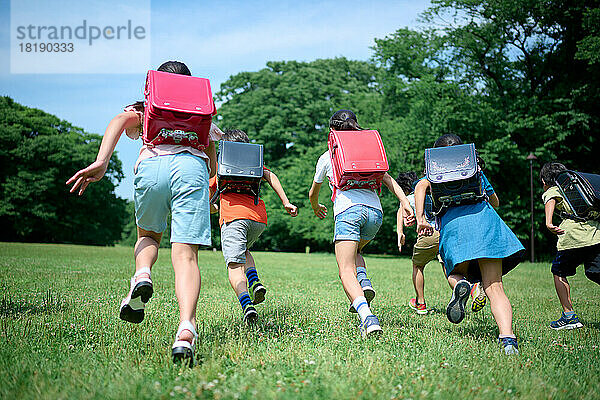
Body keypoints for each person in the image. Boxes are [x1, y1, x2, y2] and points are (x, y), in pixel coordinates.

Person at [67, 61, 220, 367]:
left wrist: (102, 161)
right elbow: (212, 159)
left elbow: (120, 120)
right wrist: (209, 187)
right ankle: (186, 328)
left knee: (148, 235)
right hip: (191, 169)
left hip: (151, 166)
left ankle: (142, 274)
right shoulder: (201, 113)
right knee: (186, 254)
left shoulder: (146, 107)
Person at [415, 134, 524, 355]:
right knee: (495, 287)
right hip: (484, 224)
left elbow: (419, 187)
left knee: (454, 273)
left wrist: (420, 218)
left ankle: (465, 287)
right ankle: (508, 339)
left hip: (455, 228)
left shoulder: (433, 174)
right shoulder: (475, 170)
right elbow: (495, 202)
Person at [308, 109, 414, 338]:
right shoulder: (369, 152)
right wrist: (405, 202)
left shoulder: (327, 157)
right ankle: (364, 280)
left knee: (345, 270)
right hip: (375, 213)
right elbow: (387, 178)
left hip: (348, 212)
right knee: (356, 250)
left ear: (332, 131)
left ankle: (367, 317)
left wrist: (316, 206)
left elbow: (313, 192)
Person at [210, 129, 298, 324]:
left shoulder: (221, 166)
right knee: (245, 250)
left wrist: (213, 208)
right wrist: (286, 202)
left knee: (234, 266)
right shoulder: (254, 162)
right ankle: (255, 281)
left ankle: (246, 305)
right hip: (258, 218)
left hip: (233, 219)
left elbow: (209, 202)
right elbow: (270, 175)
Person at [397, 172, 487, 315]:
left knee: (418, 265)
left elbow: (401, 209)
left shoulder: (411, 197)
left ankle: (420, 303)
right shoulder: (438, 194)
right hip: (446, 233)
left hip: (428, 235)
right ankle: (471, 287)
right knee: (449, 268)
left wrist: (400, 232)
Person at [541, 162, 600, 330]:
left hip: (573, 239)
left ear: (545, 181)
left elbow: (550, 199)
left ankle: (569, 316)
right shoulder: (581, 188)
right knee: (594, 272)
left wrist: (549, 222)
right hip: (595, 236)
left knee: (558, 272)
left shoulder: (555, 189)